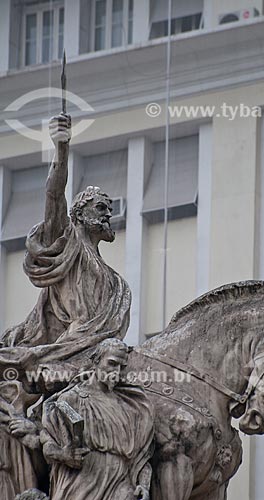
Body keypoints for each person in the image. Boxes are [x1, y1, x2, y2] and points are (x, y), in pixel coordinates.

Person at [0, 113, 131, 386]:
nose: (108, 214)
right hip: (67, 354)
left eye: (110, 209)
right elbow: (54, 194)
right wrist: (62, 147)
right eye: (101, 207)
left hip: (99, 358)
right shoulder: (67, 242)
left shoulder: (115, 282)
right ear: (79, 215)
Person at [41, 339, 154, 500]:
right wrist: (64, 455)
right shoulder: (70, 399)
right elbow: (47, 443)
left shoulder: (130, 406)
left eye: (122, 367)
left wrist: (144, 485)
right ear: (96, 361)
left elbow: (141, 458)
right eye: (112, 363)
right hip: (82, 480)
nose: (117, 371)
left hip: (120, 484)